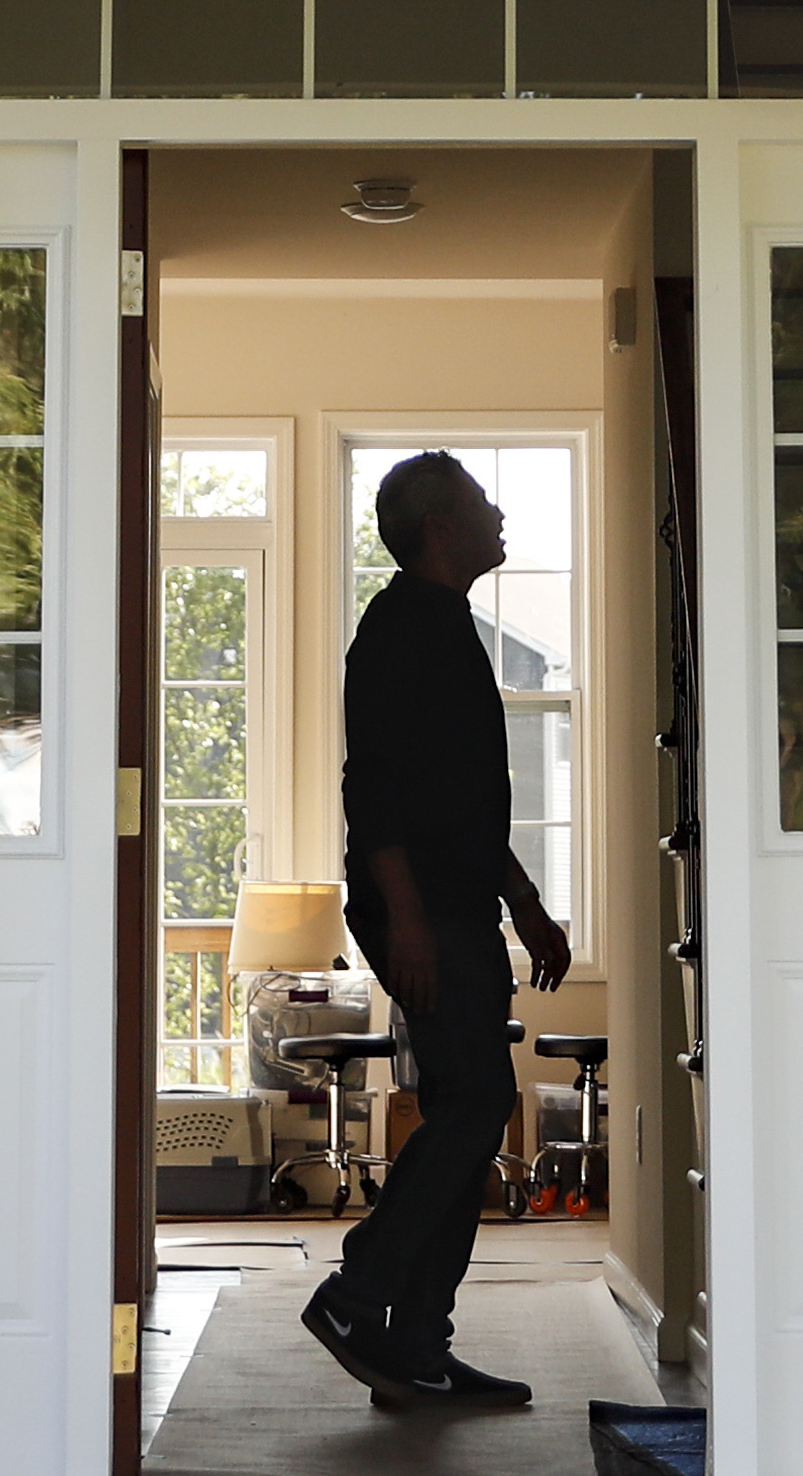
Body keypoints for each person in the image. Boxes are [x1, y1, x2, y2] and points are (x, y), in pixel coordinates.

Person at [298, 449, 572, 1411]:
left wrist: (525, 901)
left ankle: (415, 1347)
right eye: (480, 502)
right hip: (417, 910)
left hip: (456, 903)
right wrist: (407, 919)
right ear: (439, 528)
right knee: (473, 1103)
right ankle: (357, 1292)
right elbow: (370, 788)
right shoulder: (399, 627)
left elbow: (459, 802)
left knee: (469, 1103)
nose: (500, 512)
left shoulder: (447, 624)